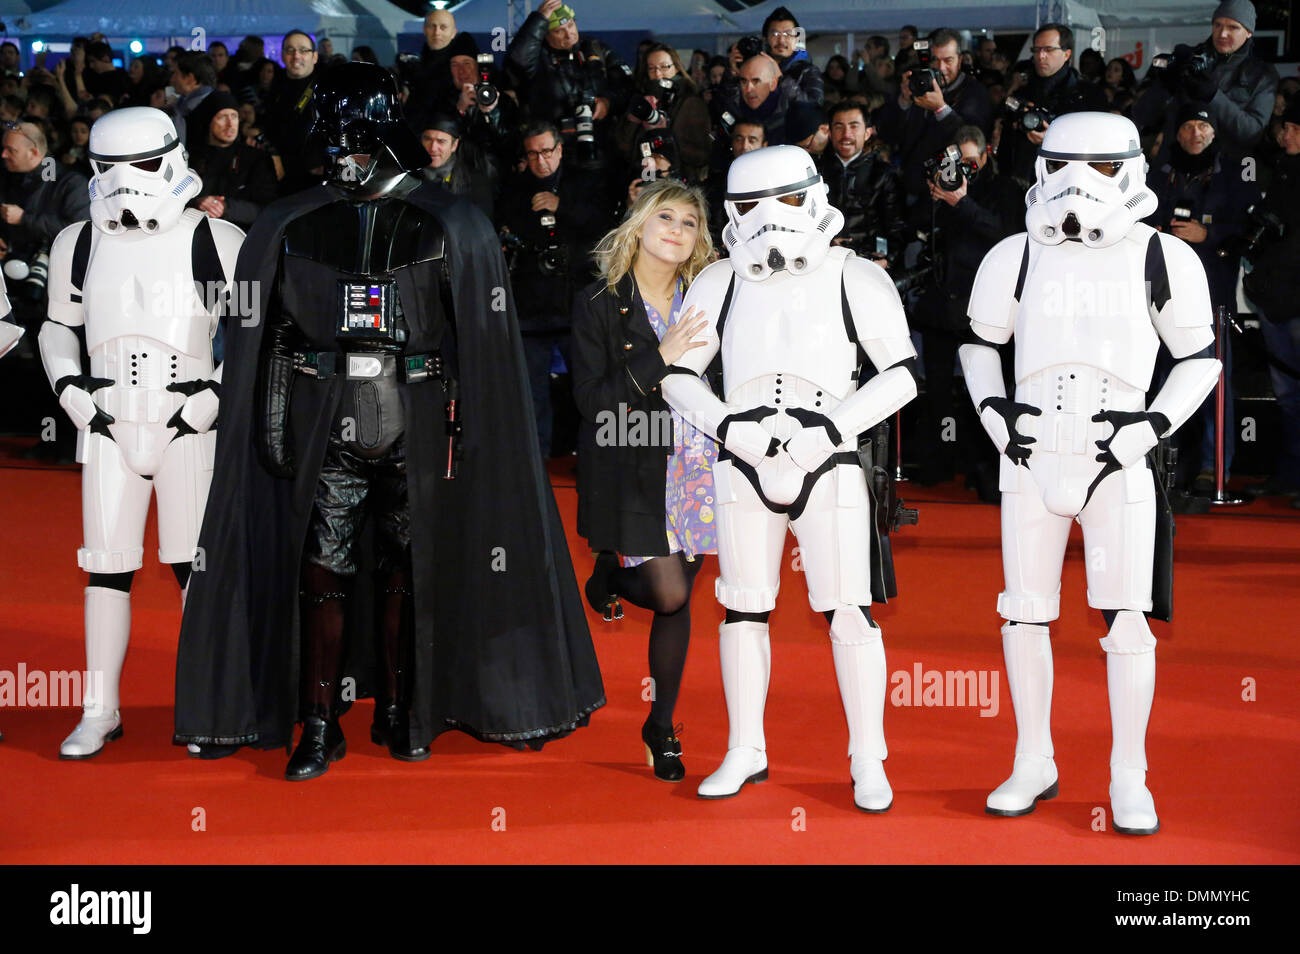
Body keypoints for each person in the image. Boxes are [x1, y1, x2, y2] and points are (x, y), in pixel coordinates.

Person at [173, 63, 605, 776]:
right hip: (324, 418)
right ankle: (318, 717)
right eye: (338, 138)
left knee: (411, 564)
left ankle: (405, 707)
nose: (347, 153)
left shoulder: (452, 224)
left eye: (358, 137)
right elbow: (270, 331)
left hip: (421, 418)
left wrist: (467, 434)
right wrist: (275, 419)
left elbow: (477, 347)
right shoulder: (290, 222)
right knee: (324, 566)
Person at [958, 113, 1222, 835]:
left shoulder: (1162, 257)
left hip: (1119, 454)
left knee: (1128, 619)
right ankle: (1032, 757)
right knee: (1023, 611)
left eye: (1101, 167)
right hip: (1033, 453)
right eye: (1064, 163)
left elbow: (1200, 359)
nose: (1079, 182)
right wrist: (995, 413)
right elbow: (980, 344)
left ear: (1132, 168)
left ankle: (1128, 773)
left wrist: (1151, 426)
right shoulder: (1012, 256)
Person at [660, 145, 919, 811]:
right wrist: (728, 427)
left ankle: (868, 757)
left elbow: (902, 375)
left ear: (813, 196)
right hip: (741, 457)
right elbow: (676, 375)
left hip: (826, 458)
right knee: (743, 605)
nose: (770, 221)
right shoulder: (718, 282)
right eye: (751, 206)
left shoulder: (853, 275)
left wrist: (831, 432)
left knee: (849, 611)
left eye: (784, 201)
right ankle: (745, 747)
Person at [38, 107, 243, 758]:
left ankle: (208, 706)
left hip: (187, 418)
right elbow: (55, 326)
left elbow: (253, 330)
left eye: (143, 167)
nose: (127, 185)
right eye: (111, 171)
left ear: (174, 159)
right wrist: (70, 389)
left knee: (194, 567)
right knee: (106, 571)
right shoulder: (78, 242)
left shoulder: (216, 238)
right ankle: (99, 709)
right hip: (105, 417)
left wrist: (211, 396)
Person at [572, 179, 716, 782]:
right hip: (635, 459)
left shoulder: (712, 296)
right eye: (666, 217)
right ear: (638, 224)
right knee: (669, 593)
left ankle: (661, 726)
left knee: (680, 594)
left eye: (689, 221)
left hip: (704, 462)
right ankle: (610, 569)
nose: (677, 229)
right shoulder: (599, 302)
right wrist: (662, 355)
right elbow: (593, 405)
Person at [1146, 105, 1258, 494]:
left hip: (1213, 298)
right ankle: (1162, 463)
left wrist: (1206, 235)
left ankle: (1213, 467)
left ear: (1214, 133)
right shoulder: (1157, 173)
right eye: (1188, 125)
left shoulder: (1233, 173)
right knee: (1161, 384)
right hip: (1161, 298)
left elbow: (1247, 228)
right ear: (1177, 133)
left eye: (1203, 126)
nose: (1195, 133)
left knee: (1213, 384)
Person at [910, 125, 1023, 493]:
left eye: (972, 163)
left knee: (985, 393)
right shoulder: (940, 187)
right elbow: (919, 230)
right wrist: (937, 198)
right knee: (939, 393)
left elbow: (1006, 236)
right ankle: (943, 458)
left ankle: (986, 466)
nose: (964, 172)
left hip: (985, 310)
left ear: (986, 155)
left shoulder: (1004, 189)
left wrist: (962, 202)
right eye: (959, 164)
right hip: (941, 303)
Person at [498, 121, 611, 456]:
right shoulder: (515, 188)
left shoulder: (585, 179)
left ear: (560, 149)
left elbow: (605, 227)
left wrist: (562, 207)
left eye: (546, 151)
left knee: (588, 388)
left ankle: (592, 455)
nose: (541, 160)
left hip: (577, 302)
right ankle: (537, 462)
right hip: (531, 307)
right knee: (532, 395)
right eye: (532, 154)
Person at [1131, 1, 1278, 167]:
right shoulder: (1188, 60)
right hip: (1173, 170)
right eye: (1218, 25)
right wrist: (1164, 86)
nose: (1222, 33)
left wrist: (1213, 97)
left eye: (1233, 27)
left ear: (1249, 32)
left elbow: (1251, 133)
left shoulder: (1261, 75)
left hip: (1224, 174)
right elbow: (1142, 117)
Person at [1241, 98, 1300, 500]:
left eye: (1294, 128)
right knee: (1288, 396)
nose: (1285, 134)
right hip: (1276, 297)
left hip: (1291, 297)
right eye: (1284, 127)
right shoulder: (1282, 171)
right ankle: (1288, 474)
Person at [506, 0, 633, 164]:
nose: (569, 34)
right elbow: (518, 58)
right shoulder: (538, 60)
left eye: (571, 25)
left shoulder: (595, 49)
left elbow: (627, 86)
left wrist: (608, 102)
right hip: (553, 152)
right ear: (545, 34)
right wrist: (538, 19)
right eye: (559, 31)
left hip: (602, 148)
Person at [874, 29, 994, 199]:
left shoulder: (975, 92)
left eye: (948, 60)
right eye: (935, 60)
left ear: (960, 61)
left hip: (950, 189)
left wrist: (941, 109)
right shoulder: (917, 85)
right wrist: (903, 101)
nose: (941, 68)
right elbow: (889, 133)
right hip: (911, 184)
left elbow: (973, 140)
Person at [995, 23, 1109, 186]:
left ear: (1067, 54)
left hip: (1070, 185)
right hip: (1020, 185)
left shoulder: (1090, 96)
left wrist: (1055, 140)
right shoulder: (1022, 94)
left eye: (1049, 50)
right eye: (1036, 50)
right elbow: (1006, 147)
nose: (1041, 56)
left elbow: (1100, 145)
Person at [821, 101, 906, 269]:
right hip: (823, 260)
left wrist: (887, 259)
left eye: (854, 127)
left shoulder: (884, 174)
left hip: (868, 263)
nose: (846, 134)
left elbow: (897, 226)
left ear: (867, 133)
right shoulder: (815, 171)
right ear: (829, 132)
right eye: (839, 127)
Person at [615, 43, 711, 182]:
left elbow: (701, 155)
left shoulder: (690, 103)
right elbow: (623, 149)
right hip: (645, 179)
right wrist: (633, 120)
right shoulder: (642, 101)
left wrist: (663, 135)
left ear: (677, 67)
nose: (657, 73)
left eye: (664, 67)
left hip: (679, 184)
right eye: (651, 68)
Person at [187, 91, 279, 231]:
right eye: (223, 117)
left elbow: (268, 208)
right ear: (209, 121)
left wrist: (225, 208)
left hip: (239, 237)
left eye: (234, 116)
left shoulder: (256, 158)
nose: (230, 124)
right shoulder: (190, 157)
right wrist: (196, 203)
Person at [265, 30, 319, 194]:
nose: (296, 56)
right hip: (281, 180)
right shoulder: (276, 89)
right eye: (290, 50)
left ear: (314, 57)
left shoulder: (327, 90)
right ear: (282, 56)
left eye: (303, 50)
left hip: (315, 181)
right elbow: (270, 127)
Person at [419, 114, 495, 219]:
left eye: (441, 141)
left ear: (454, 145)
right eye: (428, 139)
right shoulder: (407, 175)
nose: (433, 148)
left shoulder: (475, 183)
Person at [762, 6, 823, 105]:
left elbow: (814, 105)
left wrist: (781, 79)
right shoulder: (755, 68)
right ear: (765, 39)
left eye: (788, 34)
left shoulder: (808, 71)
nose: (781, 40)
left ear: (796, 39)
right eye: (776, 34)